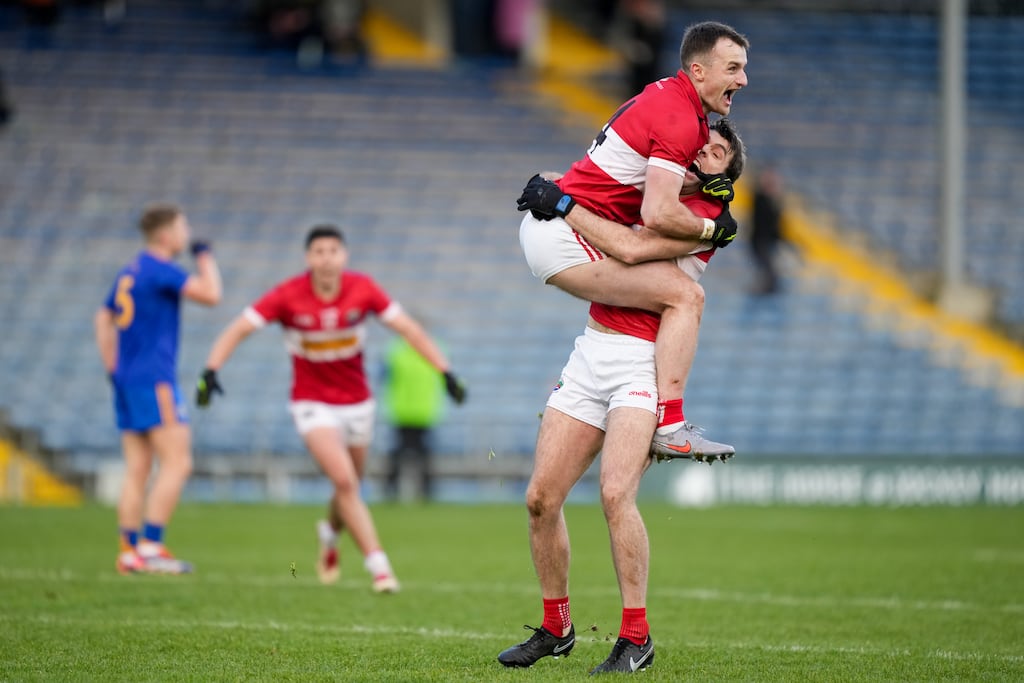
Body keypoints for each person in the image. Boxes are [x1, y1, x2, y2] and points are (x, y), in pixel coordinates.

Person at [500, 120, 745, 674]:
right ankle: (556, 627)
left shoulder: (704, 218)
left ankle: (636, 636)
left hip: (641, 361)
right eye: (699, 144)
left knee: (615, 495)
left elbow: (629, 249)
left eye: (716, 152)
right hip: (591, 351)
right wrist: (561, 185)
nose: (701, 152)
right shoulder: (661, 193)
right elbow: (601, 187)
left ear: (726, 174)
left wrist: (560, 202)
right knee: (540, 498)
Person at [517, 20, 748, 462]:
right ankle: (674, 423)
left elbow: (630, 190)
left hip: (596, 301)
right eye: (733, 67)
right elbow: (645, 227)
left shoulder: (664, 95)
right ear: (698, 70)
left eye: (715, 155)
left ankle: (664, 422)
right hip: (566, 248)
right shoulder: (685, 126)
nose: (743, 79)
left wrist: (560, 193)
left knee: (552, 500)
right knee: (687, 296)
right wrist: (563, 202)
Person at [195, 224, 466, 593]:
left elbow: (409, 330)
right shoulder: (288, 295)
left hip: (358, 405)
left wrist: (444, 371)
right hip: (312, 404)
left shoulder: (363, 288)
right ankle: (380, 568)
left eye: (333, 251)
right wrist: (211, 370)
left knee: (348, 486)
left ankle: (329, 536)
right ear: (308, 258)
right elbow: (238, 329)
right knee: (344, 482)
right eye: (318, 252)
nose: (326, 259)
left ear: (344, 255)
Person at [94, 203, 223, 575]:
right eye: (183, 228)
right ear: (166, 235)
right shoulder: (160, 269)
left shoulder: (129, 271)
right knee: (178, 462)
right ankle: (150, 547)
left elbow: (102, 317)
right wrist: (205, 256)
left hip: (126, 380)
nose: (186, 234)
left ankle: (128, 551)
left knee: (138, 467)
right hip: (154, 380)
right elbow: (211, 295)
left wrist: (112, 365)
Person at [381, 334, 447, 501]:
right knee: (416, 453)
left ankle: (396, 491)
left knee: (405, 452)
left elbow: (384, 377)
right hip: (416, 411)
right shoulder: (435, 350)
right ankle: (422, 491)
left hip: (408, 410)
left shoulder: (396, 351)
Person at [749, 165, 785, 295]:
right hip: (760, 240)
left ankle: (768, 292)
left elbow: (777, 224)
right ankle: (762, 294)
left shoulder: (773, 200)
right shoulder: (759, 199)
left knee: (771, 273)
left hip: (769, 241)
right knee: (768, 272)